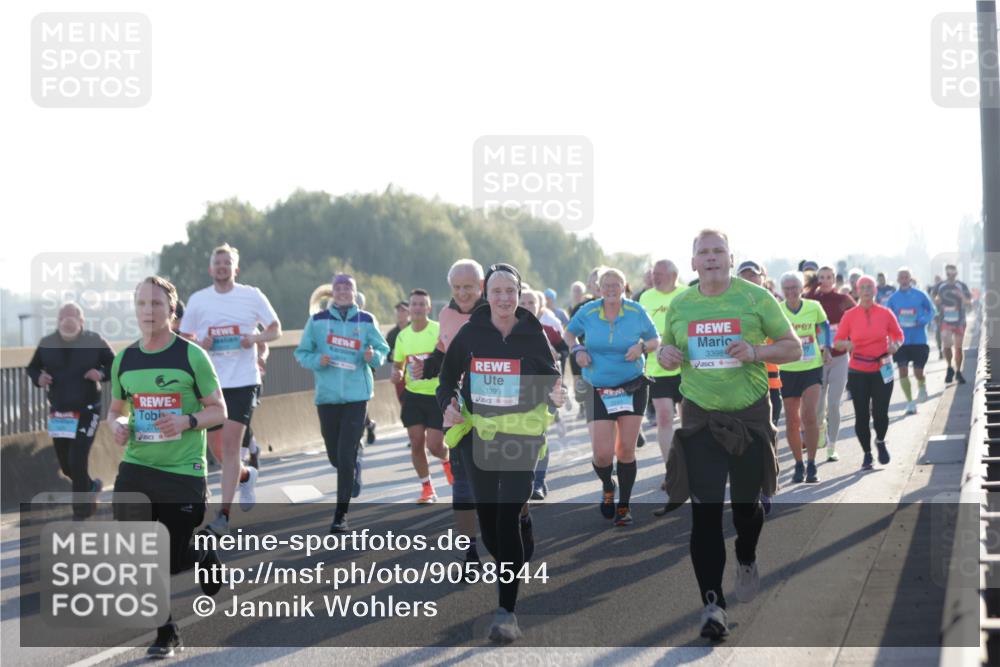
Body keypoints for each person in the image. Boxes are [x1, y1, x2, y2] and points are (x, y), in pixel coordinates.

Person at [656, 229, 800, 640]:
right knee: (704, 516)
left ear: (731, 259)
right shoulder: (681, 304)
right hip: (700, 418)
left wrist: (756, 352)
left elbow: (792, 348)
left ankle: (748, 556)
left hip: (750, 415)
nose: (712, 257)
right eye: (704, 252)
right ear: (694, 263)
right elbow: (669, 354)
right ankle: (712, 605)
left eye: (719, 251)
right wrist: (665, 355)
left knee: (745, 510)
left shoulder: (756, 298)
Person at [437, 263, 564, 643]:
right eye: (497, 291)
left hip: (521, 437)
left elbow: (551, 372)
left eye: (511, 291)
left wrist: (556, 393)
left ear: (519, 292)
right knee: (490, 527)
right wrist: (449, 403)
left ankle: (506, 611)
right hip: (480, 436)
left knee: (505, 514)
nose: (505, 298)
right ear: (485, 294)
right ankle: (521, 533)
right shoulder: (471, 332)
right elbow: (446, 378)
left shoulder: (531, 332)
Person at [108, 276, 226, 657]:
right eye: (142, 303)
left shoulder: (191, 356)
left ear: (172, 312)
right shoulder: (124, 359)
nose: (148, 311)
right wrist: (118, 426)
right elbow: (115, 410)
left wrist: (186, 422)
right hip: (136, 468)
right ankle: (166, 631)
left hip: (183, 472)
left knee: (173, 559)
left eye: (156, 304)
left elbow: (218, 410)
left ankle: (203, 548)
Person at [179, 244, 282, 536]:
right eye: (218, 263)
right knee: (218, 452)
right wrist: (201, 344)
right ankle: (247, 475)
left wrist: (255, 337)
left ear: (235, 269)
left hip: (243, 381)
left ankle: (222, 515)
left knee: (230, 444)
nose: (222, 267)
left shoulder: (251, 296)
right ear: (211, 269)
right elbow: (184, 338)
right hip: (211, 383)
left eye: (228, 263)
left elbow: (276, 329)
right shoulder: (199, 300)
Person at [294, 273, 389, 532]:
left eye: (348, 287)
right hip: (327, 396)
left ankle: (341, 516)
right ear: (332, 293)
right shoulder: (317, 321)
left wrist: (373, 356)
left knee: (345, 456)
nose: (344, 291)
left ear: (354, 292)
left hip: (357, 396)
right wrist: (317, 361)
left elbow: (382, 351)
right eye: (339, 287)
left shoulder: (366, 320)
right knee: (336, 457)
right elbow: (302, 352)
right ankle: (354, 463)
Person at [565, 268, 659, 526]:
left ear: (624, 285)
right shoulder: (588, 311)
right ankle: (608, 485)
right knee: (603, 454)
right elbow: (569, 333)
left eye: (615, 283)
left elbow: (655, 340)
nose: (610, 288)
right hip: (598, 387)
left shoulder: (636, 311)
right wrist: (578, 349)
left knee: (626, 450)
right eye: (605, 284)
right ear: (597, 286)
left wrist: (641, 347)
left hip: (632, 386)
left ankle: (624, 506)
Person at [410, 259, 488, 567]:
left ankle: (519, 521)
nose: (462, 293)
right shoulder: (446, 313)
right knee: (464, 483)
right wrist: (426, 366)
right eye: (456, 287)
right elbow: (444, 351)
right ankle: (469, 551)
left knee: (503, 484)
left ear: (481, 286)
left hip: (497, 409)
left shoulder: (495, 311)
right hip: (460, 407)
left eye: (468, 287)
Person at [27, 303, 115, 519]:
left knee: (77, 458)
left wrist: (101, 373)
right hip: (60, 413)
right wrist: (38, 378)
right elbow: (32, 367)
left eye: (72, 316)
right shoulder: (47, 343)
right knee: (67, 466)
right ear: (57, 321)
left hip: (88, 410)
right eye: (63, 317)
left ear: (81, 320)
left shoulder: (94, 341)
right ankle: (92, 486)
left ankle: (81, 512)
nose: (67, 321)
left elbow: (114, 364)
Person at [833, 275, 904, 470]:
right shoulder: (849, 315)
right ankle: (867, 454)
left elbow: (898, 335)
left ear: (875, 291)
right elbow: (837, 340)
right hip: (858, 370)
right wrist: (846, 343)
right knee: (862, 415)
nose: (866, 290)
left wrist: (895, 345)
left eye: (869, 287)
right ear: (857, 291)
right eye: (862, 287)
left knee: (881, 412)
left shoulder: (885, 313)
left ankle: (880, 441)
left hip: (882, 367)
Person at [392, 289, 452, 503]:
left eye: (421, 304)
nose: (417, 308)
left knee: (435, 446)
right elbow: (398, 364)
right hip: (414, 395)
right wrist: (397, 373)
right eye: (414, 304)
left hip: (436, 395)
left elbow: (449, 358)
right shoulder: (403, 336)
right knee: (416, 441)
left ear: (428, 308)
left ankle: (447, 460)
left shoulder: (438, 331)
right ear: (409, 309)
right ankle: (427, 488)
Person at [777, 272, 830, 484]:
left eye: (794, 287)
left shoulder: (813, 306)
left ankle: (811, 463)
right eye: (787, 288)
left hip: (811, 365)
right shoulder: (778, 310)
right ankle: (798, 464)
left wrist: (825, 347)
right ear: (782, 291)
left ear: (801, 289)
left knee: (809, 415)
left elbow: (823, 326)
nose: (790, 292)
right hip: (788, 368)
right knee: (792, 420)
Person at [639, 259, 685, 491]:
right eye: (653, 273)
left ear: (673, 275)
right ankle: (671, 471)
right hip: (657, 368)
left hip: (687, 367)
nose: (654, 277)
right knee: (664, 417)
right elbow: (640, 330)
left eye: (659, 273)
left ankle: (692, 466)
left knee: (689, 420)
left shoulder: (688, 294)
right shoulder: (646, 298)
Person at [520, 289, 568, 499]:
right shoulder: (505, 328)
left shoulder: (547, 328)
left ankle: (538, 482)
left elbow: (565, 349)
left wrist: (557, 356)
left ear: (540, 306)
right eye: (523, 302)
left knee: (538, 435)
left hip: (544, 386)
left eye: (531, 302)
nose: (526, 306)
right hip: (514, 389)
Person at [805, 266, 856, 462]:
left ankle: (832, 447)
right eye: (821, 277)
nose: (825, 280)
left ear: (834, 279)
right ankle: (821, 428)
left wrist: (850, 338)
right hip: (817, 359)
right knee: (819, 407)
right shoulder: (812, 299)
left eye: (828, 277)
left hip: (840, 357)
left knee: (834, 404)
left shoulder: (842, 299)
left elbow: (857, 317)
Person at [738, 262, 783, 428]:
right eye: (744, 276)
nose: (749, 279)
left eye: (753, 275)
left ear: (763, 278)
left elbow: (786, 342)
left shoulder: (772, 304)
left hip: (769, 378)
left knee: (770, 432)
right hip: (742, 380)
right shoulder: (730, 306)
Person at [886, 267, 935, 414]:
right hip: (901, 341)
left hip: (919, 339)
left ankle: (922, 386)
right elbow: (888, 317)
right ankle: (910, 402)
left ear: (910, 278)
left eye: (906, 276)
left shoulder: (920, 295)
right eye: (901, 277)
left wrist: (923, 320)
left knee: (918, 371)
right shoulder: (893, 299)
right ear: (898, 279)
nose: (904, 279)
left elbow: (932, 310)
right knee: (902, 370)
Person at [935, 264, 973, 384]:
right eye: (948, 274)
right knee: (946, 345)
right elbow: (934, 300)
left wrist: (962, 297)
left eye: (953, 273)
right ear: (946, 274)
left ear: (956, 273)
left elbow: (969, 301)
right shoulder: (940, 286)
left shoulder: (961, 285)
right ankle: (949, 367)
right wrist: (937, 301)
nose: (951, 276)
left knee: (958, 347)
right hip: (945, 320)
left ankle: (958, 371)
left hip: (959, 320)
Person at [385, 300, 411, 402]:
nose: (400, 313)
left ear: (409, 313)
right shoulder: (392, 334)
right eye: (398, 311)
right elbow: (386, 354)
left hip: (416, 373)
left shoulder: (415, 329)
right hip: (399, 374)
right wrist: (392, 355)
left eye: (403, 311)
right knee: (403, 402)